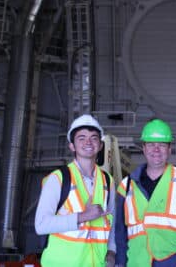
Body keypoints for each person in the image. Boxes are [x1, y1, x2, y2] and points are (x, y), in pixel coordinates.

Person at [115, 119, 176, 266]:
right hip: (137, 262)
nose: (156, 150)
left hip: (172, 262)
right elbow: (120, 234)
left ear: (169, 149)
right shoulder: (126, 186)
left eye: (162, 145)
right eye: (151, 144)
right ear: (144, 148)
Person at [35, 114, 116, 267]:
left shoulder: (107, 180)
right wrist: (83, 216)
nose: (88, 142)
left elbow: (112, 221)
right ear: (71, 146)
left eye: (94, 138)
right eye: (81, 138)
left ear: (100, 145)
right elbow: (41, 225)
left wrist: (112, 252)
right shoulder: (58, 179)